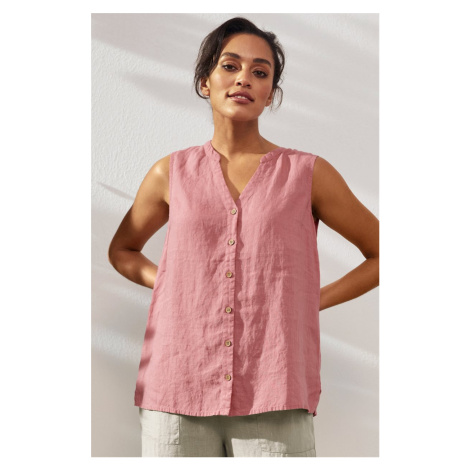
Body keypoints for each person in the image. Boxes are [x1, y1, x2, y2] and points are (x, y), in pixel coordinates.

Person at [108, 16, 379, 458]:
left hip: (274, 389)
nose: (244, 79)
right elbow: (122, 249)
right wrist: (171, 282)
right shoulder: (169, 173)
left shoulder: (307, 174)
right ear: (205, 81)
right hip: (177, 388)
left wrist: (312, 299)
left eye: (260, 72)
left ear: (271, 93)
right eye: (230, 66)